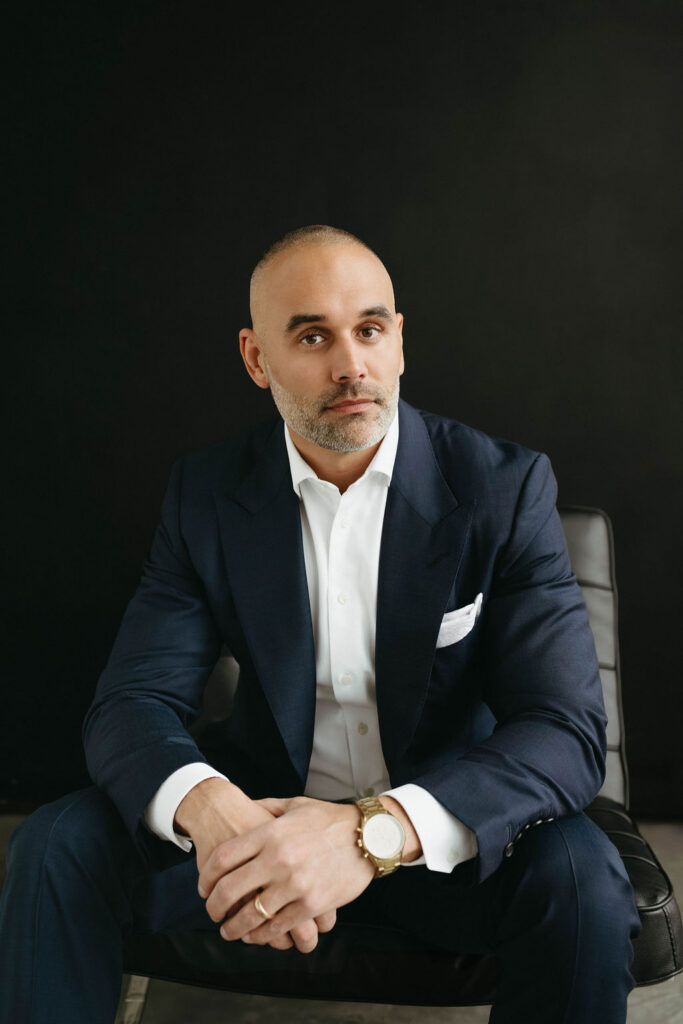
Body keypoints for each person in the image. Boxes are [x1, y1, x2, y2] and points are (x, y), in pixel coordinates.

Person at [0, 225, 640, 1023]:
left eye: (370, 329)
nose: (351, 365)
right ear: (255, 358)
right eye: (311, 336)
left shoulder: (502, 489)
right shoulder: (206, 496)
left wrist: (366, 837)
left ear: (399, 340)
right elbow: (129, 702)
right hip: (255, 830)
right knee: (54, 849)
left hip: (444, 837)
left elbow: (564, 727)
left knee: (581, 881)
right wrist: (218, 817)